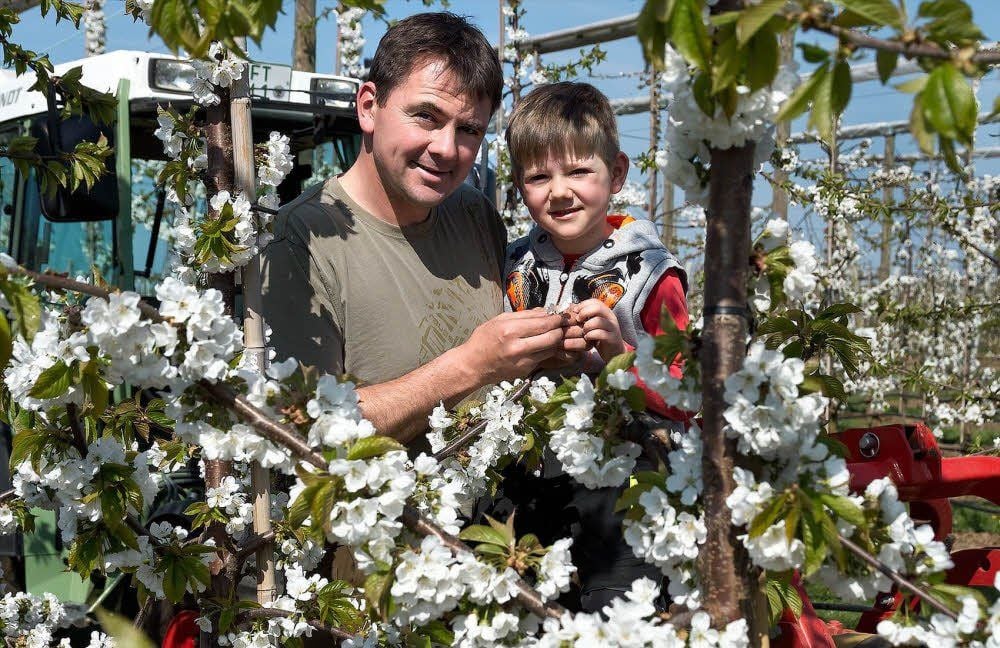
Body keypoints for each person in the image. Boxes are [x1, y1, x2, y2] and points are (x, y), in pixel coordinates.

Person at [260, 13, 576, 444]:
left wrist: (546, 349)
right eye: (426, 116)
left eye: (469, 129)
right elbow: (304, 429)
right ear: (368, 107)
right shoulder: (301, 242)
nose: (446, 149)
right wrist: (472, 366)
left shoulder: (473, 213)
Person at [493, 81, 690, 612]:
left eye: (579, 171)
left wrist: (619, 356)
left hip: (623, 487)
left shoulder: (651, 273)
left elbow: (685, 394)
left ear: (617, 174)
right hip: (533, 477)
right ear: (519, 185)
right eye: (538, 177)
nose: (559, 192)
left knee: (613, 611)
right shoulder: (513, 263)